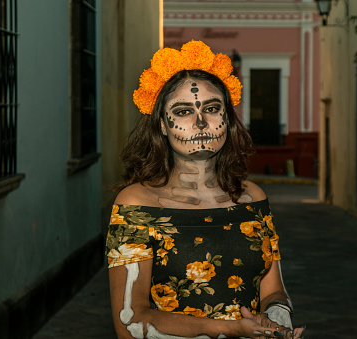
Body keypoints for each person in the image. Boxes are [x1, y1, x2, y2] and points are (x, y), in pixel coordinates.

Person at [106, 40, 305, 339]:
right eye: (184, 111)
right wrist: (232, 330)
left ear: (228, 118)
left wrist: (276, 323)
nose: (200, 122)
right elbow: (130, 323)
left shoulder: (253, 199)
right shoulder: (137, 204)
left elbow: (273, 290)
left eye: (212, 108)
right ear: (162, 124)